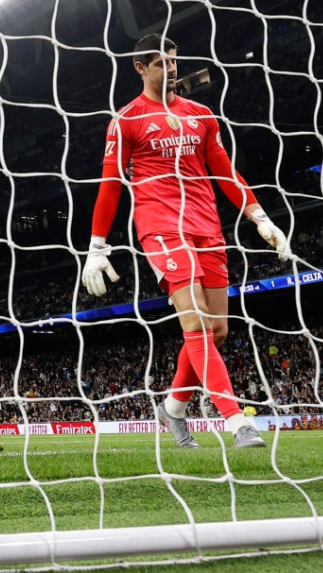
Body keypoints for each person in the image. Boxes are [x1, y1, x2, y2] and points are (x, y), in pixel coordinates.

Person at [82, 33, 291, 449]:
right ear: (140, 68)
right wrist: (97, 245)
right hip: (161, 228)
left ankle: (173, 409)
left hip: (207, 228)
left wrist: (259, 217)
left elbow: (226, 172)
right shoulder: (127, 120)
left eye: (174, 60)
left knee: (218, 331)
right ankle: (235, 421)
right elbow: (110, 184)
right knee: (195, 324)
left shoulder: (201, 115)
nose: (172, 68)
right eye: (161, 62)